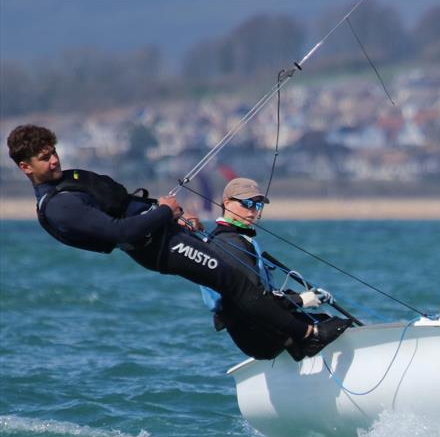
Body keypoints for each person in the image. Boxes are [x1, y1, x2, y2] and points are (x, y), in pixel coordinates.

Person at [7, 124, 349, 360]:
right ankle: (305, 337)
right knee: (235, 280)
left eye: (53, 152)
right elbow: (121, 232)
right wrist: (165, 214)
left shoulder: (70, 180)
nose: (54, 161)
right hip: (159, 248)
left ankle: (287, 338)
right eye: (43, 158)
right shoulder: (61, 206)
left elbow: (127, 206)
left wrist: (168, 213)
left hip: (166, 233)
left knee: (236, 282)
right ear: (26, 167)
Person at [200, 177, 350, 361]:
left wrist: (301, 296)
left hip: (255, 327)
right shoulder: (229, 244)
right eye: (247, 204)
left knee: (327, 320)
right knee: (337, 326)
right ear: (228, 204)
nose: (253, 211)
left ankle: (299, 353)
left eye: (258, 206)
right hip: (257, 335)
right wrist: (301, 300)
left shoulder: (231, 238)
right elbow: (253, 299)